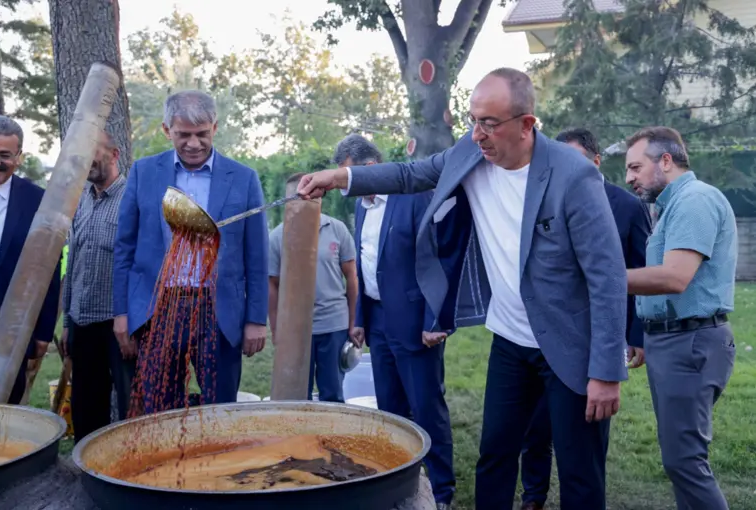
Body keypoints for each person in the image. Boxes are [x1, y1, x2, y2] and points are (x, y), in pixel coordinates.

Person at [297, 68, 629, 510]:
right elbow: (410, 174)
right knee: (494, 456)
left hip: (571, 345)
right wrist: (340, 178)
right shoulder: (470, 155)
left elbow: (607, 276)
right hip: (510, 341)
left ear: (527, 124)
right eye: (473, 120)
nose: (477, 134)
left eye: (489, 123)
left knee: (578, 470)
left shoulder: (572, 175)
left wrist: (606, 372)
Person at [518, 127, 652, 510]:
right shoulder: (540, 198)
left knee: (583, 436)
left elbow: (639, 270)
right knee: (536, 425)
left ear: (595, 162)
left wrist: (635, 335)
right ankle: (533, 496)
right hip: (544, 333)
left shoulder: (626, 206)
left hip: (595, 337)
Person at [113, 90, 269, 413]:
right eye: (184, 134)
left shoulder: (243, 178)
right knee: (159, 410)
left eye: (202, 134)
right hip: (159, 309)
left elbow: (256, 256)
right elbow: (124, 249)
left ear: (215, 127)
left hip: (218, 312)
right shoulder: (144, 173)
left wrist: (255, 319)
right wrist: (122, 314)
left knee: (221, 409)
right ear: (166, 130)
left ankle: (219, 463)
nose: (194, 144)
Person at [332, 134, 455, 509]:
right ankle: (400, 487)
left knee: (425, 406)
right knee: (390, 409)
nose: (346, 185)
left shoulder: (413, 198)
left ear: (372, 169)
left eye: (349, 175)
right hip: (379, 320)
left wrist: (437, 319)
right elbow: (368, 266)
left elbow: (441, 260)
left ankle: (441, 491)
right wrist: (360, 318)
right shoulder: (362, 208)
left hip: (416, 321)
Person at [625, 126, 737, 510]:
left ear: (666, 161)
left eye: (636, 167)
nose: (629, 178)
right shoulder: (669, 205)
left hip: (689, 343)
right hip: (671, 342)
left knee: (685, 462)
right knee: (680, 460)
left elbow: (674, 277)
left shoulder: (695, 201)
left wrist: (601, 279)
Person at [62, 130, 136, 442]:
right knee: (85, 405)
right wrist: (68, 322)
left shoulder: (134, 200)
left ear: (114, 154)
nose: (86, 164)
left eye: (92, 155)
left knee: (132, 405)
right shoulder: (81, 202)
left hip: (120, 325)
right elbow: (74, 262)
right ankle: (87, 472)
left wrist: (132, 320)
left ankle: (135, 473)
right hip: (83, 322)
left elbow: (142, 267)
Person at [0, 114, 60, 404]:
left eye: (4, 155)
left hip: (10, 325)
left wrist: (43, 332)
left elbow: (48, 268)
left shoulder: (38, 201)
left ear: (18, 157)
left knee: (5, 408)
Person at [268, 172, 358, 402]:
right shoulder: (277, 237)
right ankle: (300, 438)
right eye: (297, 196)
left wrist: (353, 322)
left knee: (333, 394)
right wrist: (277, 330)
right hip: (295, 331)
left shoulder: (336, 229)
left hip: (333, 325)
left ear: (319, 197)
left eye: (310, 194)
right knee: (295, 396)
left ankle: (332, 438)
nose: (304, 200)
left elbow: (351, 276)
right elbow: (272, 285)